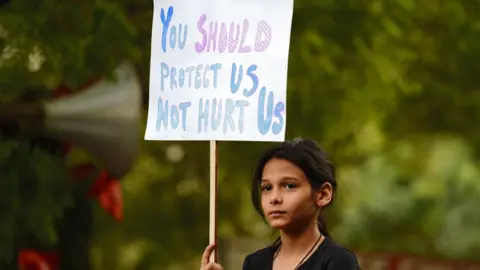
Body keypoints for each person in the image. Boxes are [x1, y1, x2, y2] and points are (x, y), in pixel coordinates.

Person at [200, 138, 360, 270]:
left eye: (289, 186)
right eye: (267, 188)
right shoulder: (255, 264)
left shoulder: (338, 262)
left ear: (323, 194)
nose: (274, 198)